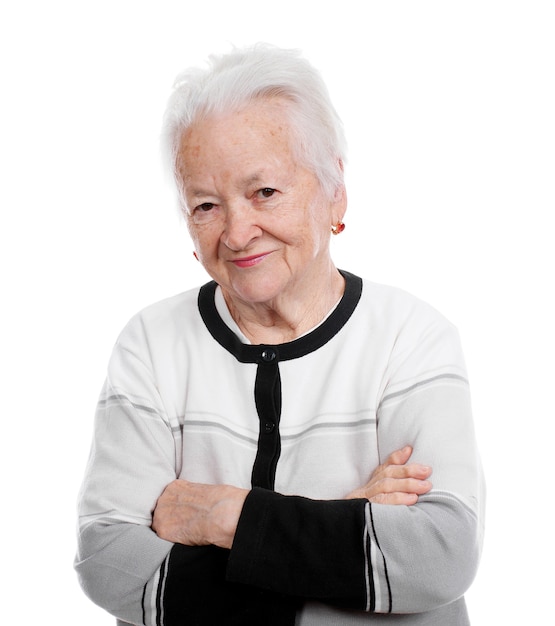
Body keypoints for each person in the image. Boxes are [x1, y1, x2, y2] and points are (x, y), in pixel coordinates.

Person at [75, 44, 485, 625]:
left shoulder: (411, 337)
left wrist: (222, 516)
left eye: (264, 192)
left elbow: (438, 557)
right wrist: (338, 527)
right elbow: (109, 561)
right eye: (207, 205)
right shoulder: (150, 344)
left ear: (332, 191)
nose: (238, 232)